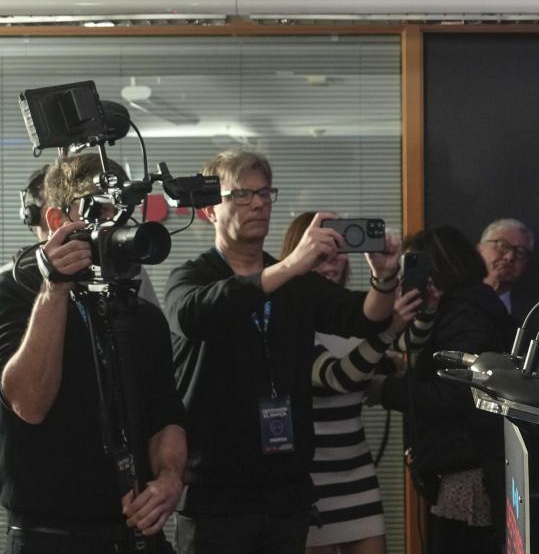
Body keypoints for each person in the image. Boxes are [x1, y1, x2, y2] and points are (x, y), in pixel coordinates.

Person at [165, 150, 400, 554]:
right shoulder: (192, 276)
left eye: (264, 193)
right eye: (240, 195)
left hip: (286, 491)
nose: (258, 203)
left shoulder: (295, 281)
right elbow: (195, 315)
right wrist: (291, 266)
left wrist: (385, 275)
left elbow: (364, 318)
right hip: (216, 494)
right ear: (208, 211)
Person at [0, 152, 186, 553]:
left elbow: (165, 414)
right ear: (55, 221)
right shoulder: (12, 293)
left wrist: (170, 479)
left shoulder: (142, 315)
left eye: (123, 213)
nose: (115, 226)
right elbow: (29, 403)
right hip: (50, 536)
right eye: (101, 212)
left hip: (137, 534)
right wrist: (55, 287)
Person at [280, 212, 423, 554]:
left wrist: (421, 305)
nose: (333, 264)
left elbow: (410, 345)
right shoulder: (291, 319)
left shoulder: (359, 312)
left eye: (340, 253)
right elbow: (338, 378)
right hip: (311, 479)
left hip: (356, 471)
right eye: (323, 256)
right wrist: (389, 333)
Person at [372, 224, 515, 554]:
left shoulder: (465, 311)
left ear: (435, 268)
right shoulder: (467, 305)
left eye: (414, 269)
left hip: (468, 467)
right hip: (467, 460)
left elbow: (456, 393)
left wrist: (386, 389)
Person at [18, 163, 162, 306]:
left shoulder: (128, 270)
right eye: (101, 210)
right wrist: (54, 291)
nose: (114, 223)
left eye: (119, 212)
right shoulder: (12, 283)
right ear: (56, 221)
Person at [477, 218, 533, 320]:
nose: (510, 257)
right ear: (480, 249)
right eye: (502, 245)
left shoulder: (537, 316)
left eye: (520, 252)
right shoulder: (451, 302)